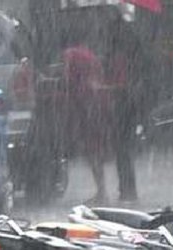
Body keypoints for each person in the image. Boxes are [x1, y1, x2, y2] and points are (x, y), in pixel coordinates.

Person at [105, 19, 155, 203]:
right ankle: (127, 190)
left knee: (121, 151)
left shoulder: (118, 58)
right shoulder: (136, 57)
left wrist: (107, 88)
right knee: (125, 150)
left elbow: (118, 84)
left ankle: (126, 190)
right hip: (131, 106)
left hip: (121, 105)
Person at [61, 29, 112, 204]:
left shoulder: (71, 54)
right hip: (99, 103)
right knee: (95, 148)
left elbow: (68, 80)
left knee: (92, 149)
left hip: (85, 104)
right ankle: (102, 189)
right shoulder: (91, 55)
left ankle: (101, 191)